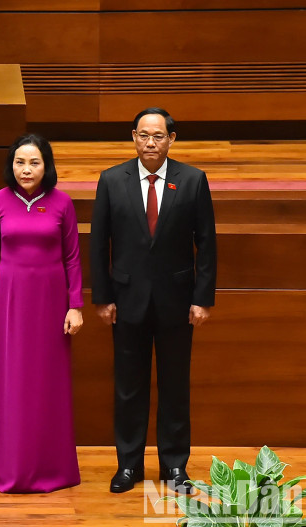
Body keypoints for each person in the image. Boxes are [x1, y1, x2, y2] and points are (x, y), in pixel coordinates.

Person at [90, 108, 217, 494]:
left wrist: (202, 299)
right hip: (126, 302)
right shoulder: (112, 180)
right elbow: (99, 244)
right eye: (144, 135)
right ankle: (128, 466)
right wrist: (102, 298)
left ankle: (174, 467)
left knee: (175, 386)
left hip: (178, 303)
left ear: (171, 139)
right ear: (133, 137)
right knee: (129, 388)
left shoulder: (193, 180)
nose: (150, 142)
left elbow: (207, 242)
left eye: (158, 135)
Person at [0, 134, 83, 493]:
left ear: (46, 165)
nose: (26, 169)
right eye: (20, 162)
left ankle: (52, 467)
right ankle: (8, 465)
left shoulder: (62, 203)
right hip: (10, 302)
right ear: (11, 165)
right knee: (13, 382)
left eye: (34, 162)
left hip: (52, 304)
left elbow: (72, 258)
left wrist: (75, 305)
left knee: (47, 384)